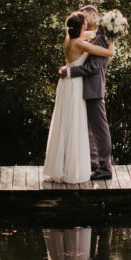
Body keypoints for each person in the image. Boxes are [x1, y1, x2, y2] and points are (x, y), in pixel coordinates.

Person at [43, 11, 115, 184]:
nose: (86, 21)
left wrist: (111, 32)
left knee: (68, 124)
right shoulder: (82, 42)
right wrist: (112, 39)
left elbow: (93, 55)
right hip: (75, 86)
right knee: (76, 125)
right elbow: (108, 53)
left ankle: (72, 166)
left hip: (70, 85)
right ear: (82, 25)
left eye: (85, 14)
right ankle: (81, 167)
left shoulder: (69, 38)